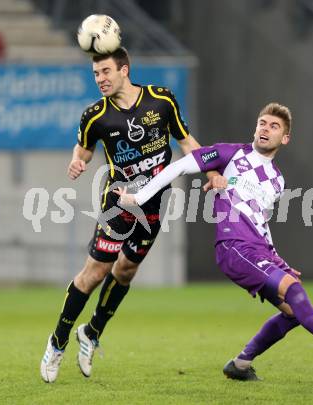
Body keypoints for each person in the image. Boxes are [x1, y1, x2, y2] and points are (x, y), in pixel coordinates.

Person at [116, 102, 313, 380]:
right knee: (296, 294)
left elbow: (261, 223)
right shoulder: (230, 153)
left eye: (274, 126)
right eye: (262, 123)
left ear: (284, 138)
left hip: (257, 250)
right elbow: (179, 167)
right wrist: (137, 197)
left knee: (293, 311)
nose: (266, 129)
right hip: (233, 248)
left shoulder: (277, 180)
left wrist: (278, 260)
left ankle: (240, 364)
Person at [40, 47, 225, 383]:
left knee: (125, 272)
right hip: (119, 204)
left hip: (153, 205)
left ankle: (91, 333)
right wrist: (77, 161)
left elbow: (186, 142)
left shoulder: (161, 100)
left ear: (124, 70)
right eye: (96, 74)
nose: (100, 79)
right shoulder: (95, 116)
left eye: (106, 72)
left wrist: (211, 172)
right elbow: (82, 149)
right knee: (95, 273)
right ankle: (57, 342)